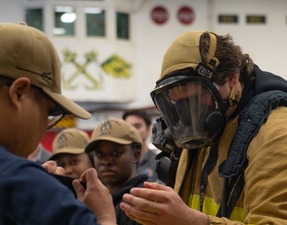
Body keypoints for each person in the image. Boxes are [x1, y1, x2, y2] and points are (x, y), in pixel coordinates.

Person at [0, 22, 116, 225]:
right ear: (19, 93)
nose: (45, 126)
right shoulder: (15, 182)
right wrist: (103, 216)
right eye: (49, 111)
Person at [120, 31, 287, 224]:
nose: (189, 116)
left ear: (232, 79)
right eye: (178, 103)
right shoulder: (192, 139)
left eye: (197, 99)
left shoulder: (276, 134)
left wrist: (192, 222)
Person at [85, 118, 149, 225]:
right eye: (99, 154)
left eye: (115, 153)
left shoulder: (142, 202)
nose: (106, 161)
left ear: (135, 155)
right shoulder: (97, 199)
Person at [122, 109, 158, 181]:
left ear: (148, 129)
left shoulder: (157, 162)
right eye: (128, 127)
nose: (132, 131)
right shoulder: (118, 162)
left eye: (137, 126)